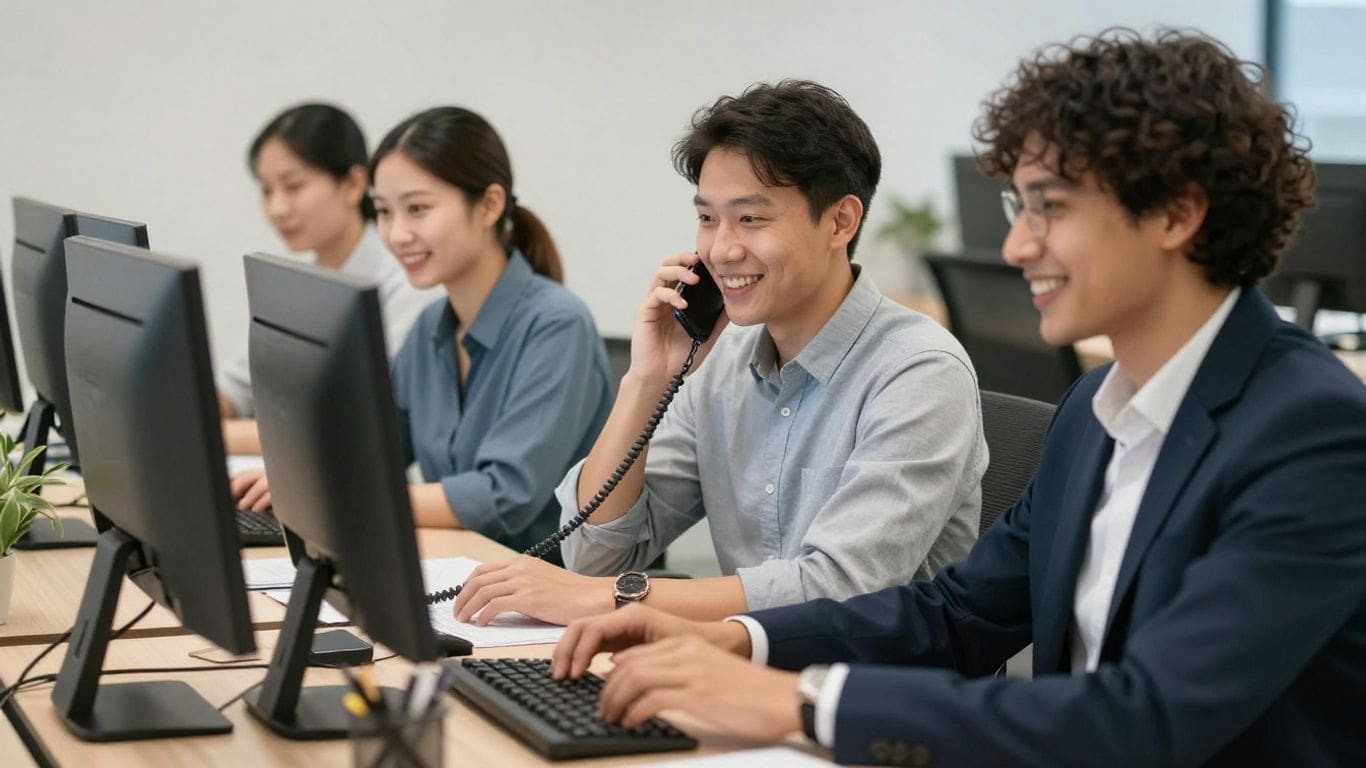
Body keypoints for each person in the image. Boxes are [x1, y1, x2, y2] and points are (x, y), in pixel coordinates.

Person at [547, 29, 1366, 767]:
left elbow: (1147, 717)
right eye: (1018, 206)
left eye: (1051, 207)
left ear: (1178, 214)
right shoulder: (1096, 412)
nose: (1015, 244)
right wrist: (731, 640)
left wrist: (803, 701)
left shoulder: (1308, 430)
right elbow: (955, 614)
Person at [452, 81, 984, 626]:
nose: (722, 250)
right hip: (736, 672)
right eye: (708, 218)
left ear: (840, 221)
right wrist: (647, 381)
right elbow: (594, 554)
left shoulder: (918, 372)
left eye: (751, 219)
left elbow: (837, 589)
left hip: (867, 696)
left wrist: (613, 598)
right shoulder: (722, 363)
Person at [235, 106, 614, 555]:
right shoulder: (429, 328)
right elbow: (375, 451)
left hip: (543, 592)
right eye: (385, 212)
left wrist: (335, 498)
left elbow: (502, 496)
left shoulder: (557, 325)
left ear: (490, 204)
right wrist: (301, 479)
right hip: (458, 572)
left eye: (417, 209)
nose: (397, 234)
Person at [219, 103, 440, 454]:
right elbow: (236, 385)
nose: (277, 208)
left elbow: (365, 421)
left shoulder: (407, 281)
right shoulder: (298, 283)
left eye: (293, 186)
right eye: (266, 190)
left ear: (353, 184)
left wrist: (213, 436)